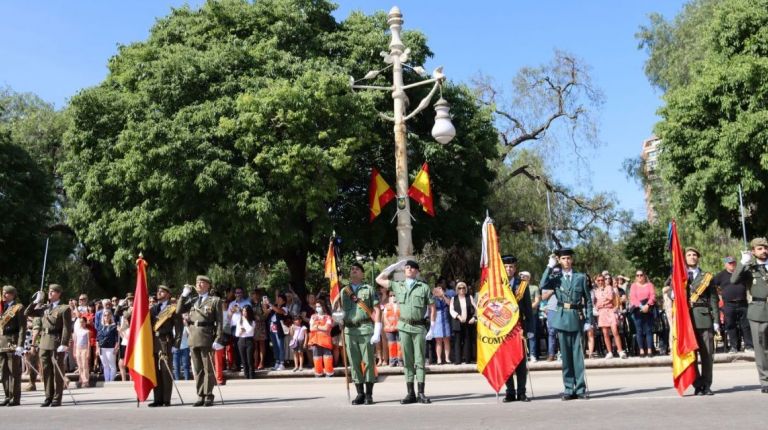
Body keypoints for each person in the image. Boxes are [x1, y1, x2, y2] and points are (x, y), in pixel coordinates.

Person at [376, 259, 435, 404]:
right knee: (407, 361)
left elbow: (432, 307)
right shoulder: (398, 285)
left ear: (416, 271)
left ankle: (421, 393)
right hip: (404, 327)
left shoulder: (423, 287)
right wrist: (392, 267)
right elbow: (379, 279)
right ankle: (410, 393)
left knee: (420, 360)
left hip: (419, 327)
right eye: (406, 268)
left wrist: (432, 326)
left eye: (411, 268)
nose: (408, 269)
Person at [541, 249, 592, 400]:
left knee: (577, 356)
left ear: (572, 260)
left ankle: (581, 389)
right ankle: (569, 388)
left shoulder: (580, 277)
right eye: (563, 258)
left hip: (576, 317)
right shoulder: (556, 278)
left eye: (568, 258)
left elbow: (588, 300)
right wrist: (549, 266)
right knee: (566, 356)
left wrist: (589, 320)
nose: (566, 261)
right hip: (562, 317)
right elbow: (543, 284)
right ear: (559, 260)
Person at [176, 275, 225, 407]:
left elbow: (220, 322)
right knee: (197, 369)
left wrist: (218, 338)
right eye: (197, 282)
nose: (198, 285)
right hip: (193, 336)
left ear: (208, 285)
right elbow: (178, 310)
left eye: (202, 282)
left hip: (207, 336)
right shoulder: (192, 300)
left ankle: (208, 395)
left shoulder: (214, 301)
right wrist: (183, 295)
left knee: (208, 368)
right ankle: (200, 395)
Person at [25, 284, 72, 407]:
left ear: (59, 293)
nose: (50, 293)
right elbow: (28, 312)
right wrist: (36, 301)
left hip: (56, 341)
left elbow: (67, 328)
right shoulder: (44, 308)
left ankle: (57, 398)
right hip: (44, 342)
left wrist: (64, 343)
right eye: (49, 291)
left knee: (57, 371)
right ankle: (48, 397)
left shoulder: (64, 308)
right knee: (46, 371)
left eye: (53, 291)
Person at [342, 262, 381, 405]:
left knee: (369, 362)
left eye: (357, 269)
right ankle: (360, 393)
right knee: (354, 362)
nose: (353, 271)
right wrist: (338, 318)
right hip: (349, 330)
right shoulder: (344, 291)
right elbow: (339, 310)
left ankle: (369, 394)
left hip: (365, 329)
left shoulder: (369, 289)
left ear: (362, 274)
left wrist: (377, 328)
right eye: (352, 269)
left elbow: (376, 309)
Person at [732, 237, 768, 393]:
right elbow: (734, 280)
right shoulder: (750, 269)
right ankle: (765, 381)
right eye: (759, 248)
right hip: (758, 310)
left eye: (765, 248)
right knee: (761, 349)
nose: (764, 251)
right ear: (753, 252)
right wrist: (743, 262)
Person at [681, 247, 718, 396]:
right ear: (685, 258)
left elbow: (714, 299)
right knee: (691, 355)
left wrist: (715, 320)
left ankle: (707, 384)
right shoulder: (680, 275)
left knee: (707, 354)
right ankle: (697, 384)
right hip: (686, 320)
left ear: (698, 258)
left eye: (694, 255)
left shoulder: (707, 276)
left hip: (703, 317)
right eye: (689, 255)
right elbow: (671, 290)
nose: (692, 257)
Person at [500, 255, 534, 403]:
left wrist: (530, 328)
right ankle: (510, 392)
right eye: (506, 267)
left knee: (520, 362)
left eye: (511, 267)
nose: (509, 269)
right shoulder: (497, 284)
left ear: (515, 268)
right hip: (502, 328)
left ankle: (521, 392)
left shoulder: (522, 285)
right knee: (506, 362)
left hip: (519, 327)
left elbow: (527, 308)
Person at [149, 285, 182, 407]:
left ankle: (166, 399)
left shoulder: (173, 308)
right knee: (155, 372)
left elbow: (179, 328)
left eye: (162, 292)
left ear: (168, 294)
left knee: (165, 371)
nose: (159, 293)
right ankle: (157, 399)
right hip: (154, 342)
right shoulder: (154, 309)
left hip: (166, 342)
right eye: (158, 291)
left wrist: (176, 344)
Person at [713, 256, 753, 353]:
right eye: (730, 263)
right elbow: (712, 284)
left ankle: (749, 346)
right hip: (728, 305)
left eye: (734, 263)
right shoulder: (721, 275)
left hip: (743, 303)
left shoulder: (742, 273)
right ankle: (734, 347)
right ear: (725, 264)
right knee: (730, 326)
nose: (732, 265)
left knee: (746, 325)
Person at [1, 285, 26, 406]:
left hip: (13, 341)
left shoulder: (18, 308)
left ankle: (15, 397)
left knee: (14, 371)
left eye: (6, 293)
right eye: (3, 293)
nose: (4, 295)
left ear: (12, 295)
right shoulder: (1, 308)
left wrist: (20, 344)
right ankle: (7, 395)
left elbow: (22, 328)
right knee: (4, 371)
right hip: (2, 341)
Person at [593, 274, 627, 359]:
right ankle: (609, 351)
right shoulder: (596, 291)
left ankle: (620, 351)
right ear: (596, 282)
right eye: (598, 280)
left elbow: (610, 297)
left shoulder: (609, 287)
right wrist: (603, 301)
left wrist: (602, 301)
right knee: (605, 333)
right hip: (602, 312)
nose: (600, 282)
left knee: (615, 331)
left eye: (602, 280)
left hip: (610, 310)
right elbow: (596, 303)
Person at [630, 271, 656, 357]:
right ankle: (641, 350)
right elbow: (633, 297)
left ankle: (649, 350)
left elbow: (652, 296)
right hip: (637, 309)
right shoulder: (633, 286)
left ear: (644, 276)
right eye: (637, 275)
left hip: (648, 308)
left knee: (649, 330)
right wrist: (641, 306)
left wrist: (647, 305)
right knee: (639, 330)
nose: (639, 277)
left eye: (641, 275)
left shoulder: (650, 285)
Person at [308, 298, 334, 377]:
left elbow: (327, 328)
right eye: (316, 306)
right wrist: (321, 327)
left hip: (325, 340)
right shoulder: (313, 316)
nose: (317, 308)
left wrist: (317, 326)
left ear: (323, 307)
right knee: (316, 357)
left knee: (327, 357)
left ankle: (329, 373)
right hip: (315, 340)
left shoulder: (328, 317)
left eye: (319, 306)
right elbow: (311, 328)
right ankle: (318, 373)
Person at [265, 293, 289, 371]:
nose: (278, 300)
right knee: (275, 347)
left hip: (279, 329)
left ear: (283, 301)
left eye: (279, 299)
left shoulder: (285, 308)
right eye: (277, 298)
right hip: (272, 329)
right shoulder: (273, 307)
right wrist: (265, 304)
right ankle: (277, 362)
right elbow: (265, 312)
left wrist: (270, 304)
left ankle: (282, 363)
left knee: (280, 346)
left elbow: (279, 311)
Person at [522, 271, 541, 362]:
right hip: (521, 315)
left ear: (529, 278)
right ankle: (524, 355)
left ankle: (532, 354)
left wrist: (528, 309)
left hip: (532, 314)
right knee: (522, 335)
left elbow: (537, 301)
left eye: (525, 276)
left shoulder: (534, 288)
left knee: (531, 334)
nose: (523, 278)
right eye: (521, 276)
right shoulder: (518, 288)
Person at [431, 284, 452, 364]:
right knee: (438, 340)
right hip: (437, 319)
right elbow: (431, 308)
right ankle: (439, 359)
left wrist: (443, 296)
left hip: (445, 319)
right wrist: (434, 295)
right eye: (437, 289)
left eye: (440, 289)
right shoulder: (433, 298)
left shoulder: (446, 296)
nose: (439, 290)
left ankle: (447, 358)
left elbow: (450, 304)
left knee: (446, 340)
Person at [96, 311, 118, 382]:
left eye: (108, 315)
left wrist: (116, 347)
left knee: (112, 365)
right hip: (102, 348)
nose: (106, 317)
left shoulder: (114, 326)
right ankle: (106, 380)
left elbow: (117, 339)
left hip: (111, 348)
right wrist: (97, 348)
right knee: (105, 365)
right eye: (105, 315)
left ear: (111, 316)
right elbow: (97, 339)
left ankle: (111, 380)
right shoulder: (100, 326)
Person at [236, 305, 256, 378]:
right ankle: (246, 375)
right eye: (243, 311)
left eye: (246, 311)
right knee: (243, 360)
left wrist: (245, 320)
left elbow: (250, 330)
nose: (244, 312)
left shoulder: (252, 321)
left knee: (249, 359)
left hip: (249, 340)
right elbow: (237, 334)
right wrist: (241, 332)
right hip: (241, 340)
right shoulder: (239, 321)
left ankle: (252, 375)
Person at [383, 292, 402, 366]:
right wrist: (389, 325)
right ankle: (393, 361)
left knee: (400, 345)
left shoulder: (400, 305)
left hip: (399, 328)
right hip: (389, 328)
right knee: (392, 345)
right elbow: (384, 317)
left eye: (394, 295)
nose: (392, 297)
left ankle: (400, 360)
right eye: (391, 295)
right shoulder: (386, 306)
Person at [73, 317, 90, 388]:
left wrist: (88, 351)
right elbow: (75, 342)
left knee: (84, 365)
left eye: (83, 321)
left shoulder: (87, 331)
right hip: (78, 349)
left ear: (85, 322)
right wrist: (74, 351)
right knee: (79, 365)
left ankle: (86, 380)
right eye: (80, 322)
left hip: (84, 349)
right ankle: (82, 379)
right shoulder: (76, 331)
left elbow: (89, 342)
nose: (81, 323)